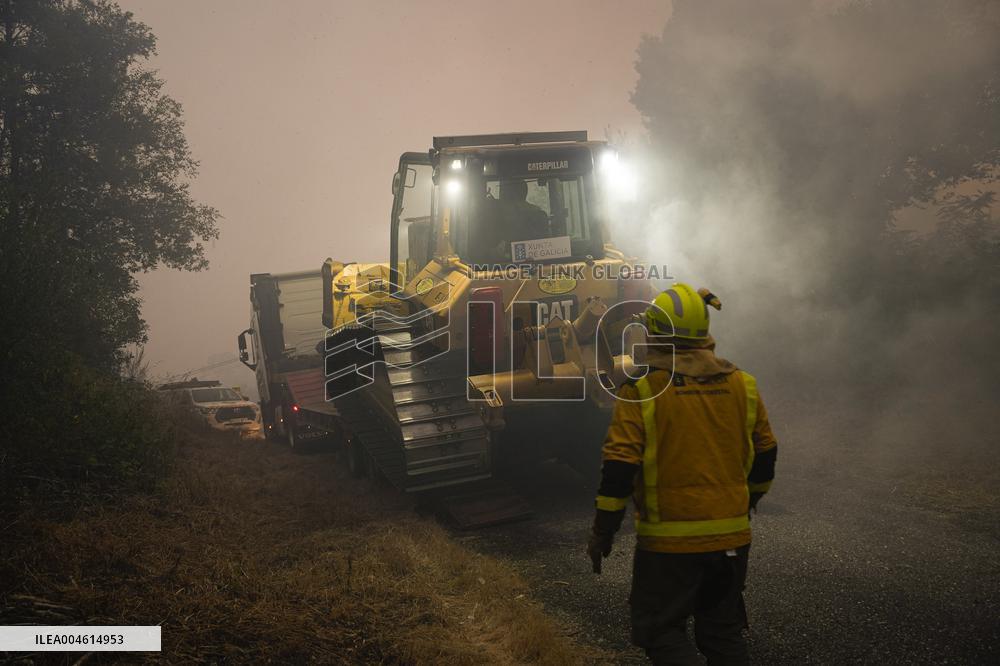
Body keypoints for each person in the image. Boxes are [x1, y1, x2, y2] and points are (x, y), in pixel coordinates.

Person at [587, 283, 778, 665]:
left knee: (660, 632)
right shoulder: (743, 384)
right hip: (731, 541)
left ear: (656, 334)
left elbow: (619, 468)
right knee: (722, 635)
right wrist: (748, 500)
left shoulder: (642, 390)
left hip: (668, 549)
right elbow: (766, 452)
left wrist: (603, 532)